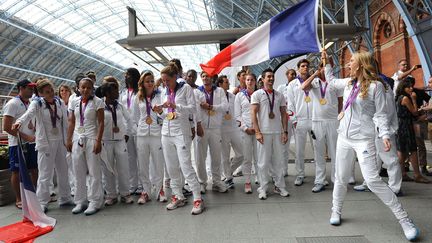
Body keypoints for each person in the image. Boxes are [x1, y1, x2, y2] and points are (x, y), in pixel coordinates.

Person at [324, 50, 419, 242]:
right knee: (340, 177)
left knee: (373, 180)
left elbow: (381, 114)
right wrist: (326, 64)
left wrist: (384, 134)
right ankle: (336, 211)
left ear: (361, 64)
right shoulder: (349, 83)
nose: (348, 64)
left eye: (352, 61)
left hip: (364, 139)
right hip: (344, 137)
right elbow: (332, 83)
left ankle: (404, 220)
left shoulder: (377, 87)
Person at [13, 79, 72, 212]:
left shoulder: (59, 102)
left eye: (51, 90)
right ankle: (42, 202)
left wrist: (69, 139)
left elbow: (66, 121)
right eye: (47, 92)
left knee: (63, 171)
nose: (51, 93)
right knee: (45, 173)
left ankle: (65, 198)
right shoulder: (37, 103)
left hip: (60, 141)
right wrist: (19, 122)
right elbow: (29, 114)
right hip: (46, 143)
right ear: (40, 93)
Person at [157, 63, 204, 215]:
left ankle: (197, 198)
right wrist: (159, 111)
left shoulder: (186, 89)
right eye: (163, 81)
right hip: (166, 132)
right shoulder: (164, 91)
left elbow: (192, 109)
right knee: (171, 168)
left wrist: (175, 105)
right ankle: (178, 196)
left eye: (167, 80)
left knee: (185, 166)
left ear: (175, 77)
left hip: (181, 132)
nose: (165, 84)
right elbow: (166, 115)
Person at [66, 77, 105, 216]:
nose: (85, 90)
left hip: (91, 138)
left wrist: (98, 141)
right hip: (77, 139)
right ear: (78, 88)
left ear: (92, 88)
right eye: (83, 87)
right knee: (78, 171)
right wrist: (69, 139)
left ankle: (95, 201)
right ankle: (80, 201)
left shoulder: (98, 102)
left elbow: (101, 123)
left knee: (94, 172)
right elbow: (71, 121)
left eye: (88, 87)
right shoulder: (74, 102)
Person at [300, 63, 341, 192]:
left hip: (333, 120)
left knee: (335, 152)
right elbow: (303, 87)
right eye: (321, 67)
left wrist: (340, 117)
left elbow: (341, 102)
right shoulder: (315, 82)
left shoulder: (334, 82)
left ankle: (336, 179)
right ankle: (320, 180)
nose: (324, 69)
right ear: (319, 68)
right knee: (319, 153)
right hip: (317, 121)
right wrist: (314, 74)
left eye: (326, 66)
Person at [251, 68, 289, 199]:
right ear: (262, 79)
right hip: (264, 133)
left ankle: (280, 186)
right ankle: (263, 188)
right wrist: (257, 132)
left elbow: (284, 114)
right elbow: (253, 114)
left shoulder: (279, 95)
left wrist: (285, 131)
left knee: (278, 161)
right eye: (268, 76)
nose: (271, 78)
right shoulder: (257, 94)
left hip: (277, 132)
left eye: (272, 76)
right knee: (263, 162)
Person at [3, 79, 38, 209]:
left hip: (31, 142)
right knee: (16, 171)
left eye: (32, 88)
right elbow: (6, 127)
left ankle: (35, 195)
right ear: (21, 88)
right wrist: (25, 136)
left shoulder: (30, 104)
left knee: (34, 169)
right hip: (16, 144)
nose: (32, 90)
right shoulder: (13, 103)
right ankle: (18, 199)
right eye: (29, 88)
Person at [98, 80, 134, 206]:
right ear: (107, 93)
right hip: (105, 141)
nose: (117, 93)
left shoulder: (120, 106)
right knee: (108, 169)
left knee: (123, 168)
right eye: (114, 90)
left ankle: (125, 194)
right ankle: (111, 195)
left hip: (120, 141)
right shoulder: (100, 105)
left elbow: (129, 119)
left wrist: (127, 134)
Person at [133, 72, 167, 204]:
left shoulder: (160, 95)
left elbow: (165, 116)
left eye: (152, 81)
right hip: (142, 134)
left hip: (155, 133)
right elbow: (135, 116)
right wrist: (140, 128)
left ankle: (160, 190)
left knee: (158, 163)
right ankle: (145, 191)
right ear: (142, 83)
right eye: (147, 81)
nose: (150, 83)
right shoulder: (138, 97)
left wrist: (160, 112)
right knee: (143, 164)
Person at [195, 71, 229, 193]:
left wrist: (211, 107)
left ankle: (216, 181)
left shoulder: (219, 91)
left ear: (212, 78)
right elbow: (195, 109)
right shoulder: (196, 92)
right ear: (201, 78)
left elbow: (225, 107)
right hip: (202, 128)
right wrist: (198, 124)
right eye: (203, 76)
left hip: (215, 128)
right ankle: (202, 182)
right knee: (200, 157)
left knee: (216, 156)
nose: (205, 78)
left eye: (208, 76)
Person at [395, 79, 429, 183]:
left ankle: (402, 174)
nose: (411, 88)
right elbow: (414, 112)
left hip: (400, 125)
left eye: (411, 86)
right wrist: (414, 99)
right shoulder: (405, 98)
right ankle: (417, 175)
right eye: (408, 87)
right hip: (406, 126)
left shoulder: (398, 97)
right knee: (412, 150)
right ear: (403, 88)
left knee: (402, 151)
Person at [287, 59, 315, 186]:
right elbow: (290, 104)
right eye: (302, 66)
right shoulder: (292, 84)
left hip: (314, 119)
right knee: (299, 150)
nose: (305, 68)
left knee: (318, 149)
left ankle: (320, 175)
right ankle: (300, 174)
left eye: (307, 66)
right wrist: (294, 120)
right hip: (300, 120)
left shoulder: (315, 81)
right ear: (298, 68)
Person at [216, 75, 244, 188]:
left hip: (233, 128)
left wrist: (239, 121)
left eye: (228, 82)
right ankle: (228, 177)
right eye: (226, 82)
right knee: (225, 156)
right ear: (220, 84)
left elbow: (238, 111)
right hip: (222, 129)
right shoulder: (216, 97)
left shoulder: (233, 96)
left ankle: (229, 171)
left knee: (242, 154)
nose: (228, 84)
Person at [235, 73, 259, 193]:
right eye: (247, 80)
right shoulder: (239, 95)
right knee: (247, 157)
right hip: (245, 130)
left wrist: (258, 128)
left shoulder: (259, 94)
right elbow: (237, 116)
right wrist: (245, 128)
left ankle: (260, 179)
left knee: (259, 157)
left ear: (255, 81)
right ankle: (247, 181)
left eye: (252, 80)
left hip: (258, 129)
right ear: (245, 81)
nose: (249, 82)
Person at [120, 68, 141, 195]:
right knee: (130, 158)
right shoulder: (123, 93)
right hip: (127, 129)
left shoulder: (140, 92)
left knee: (141, 158)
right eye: (126, 75)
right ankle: (133, 184)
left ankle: (143, 185)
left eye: (129, 75)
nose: (127, 77)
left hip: (139, 128)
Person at [277, 69, 297, 176]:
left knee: (299, 145)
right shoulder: (281, 88)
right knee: (284, 145)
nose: (293, 76)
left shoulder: (299, 86)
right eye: (291, 74)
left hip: (297, 119)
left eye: (294, 74)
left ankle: (299, 171)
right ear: (287, 75)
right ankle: (284, 169)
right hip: (286, 118)